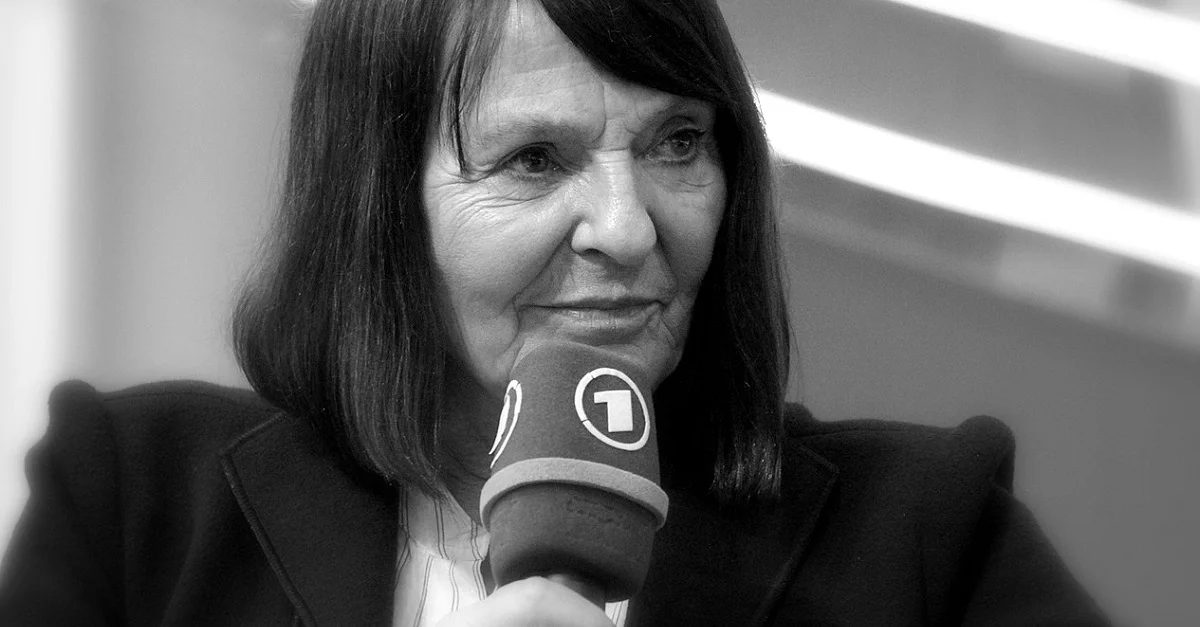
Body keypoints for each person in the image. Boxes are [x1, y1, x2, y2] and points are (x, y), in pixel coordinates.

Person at [0, 0, 1110, 625]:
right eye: (535, 158)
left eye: (678, 143)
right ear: (375, 204)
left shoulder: (927, 533)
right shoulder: (133, 502)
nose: (627, 228)